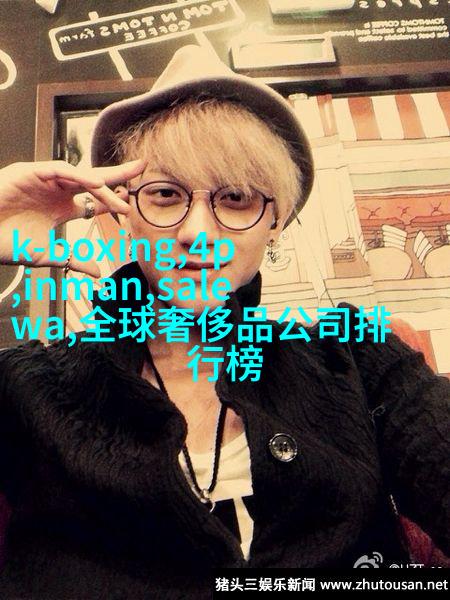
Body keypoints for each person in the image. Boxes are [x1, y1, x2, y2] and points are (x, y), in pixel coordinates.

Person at [0, 45, 448, 598]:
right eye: (166, 195)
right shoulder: (30, 386)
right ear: (122, 211)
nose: (197, 232)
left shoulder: (355, 354)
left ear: (276, 222)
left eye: (235, 197)